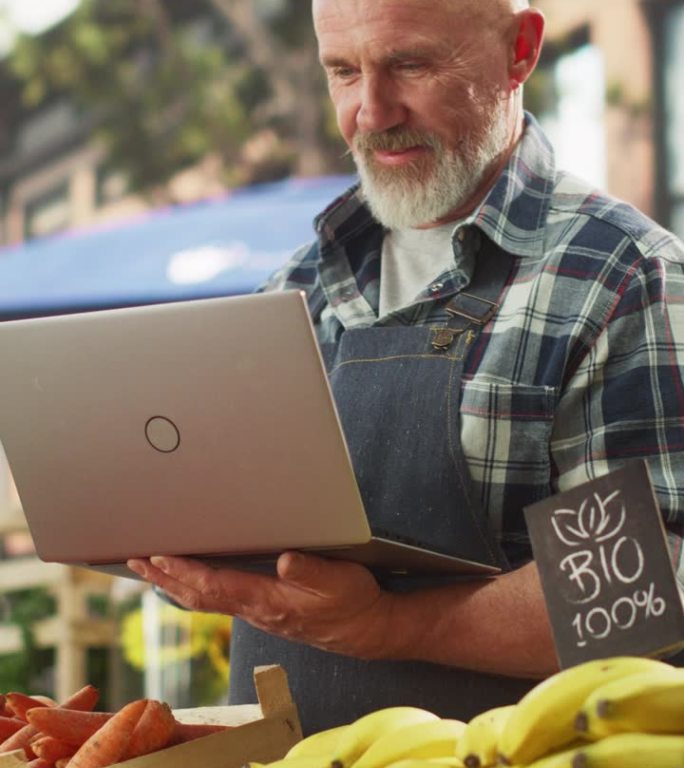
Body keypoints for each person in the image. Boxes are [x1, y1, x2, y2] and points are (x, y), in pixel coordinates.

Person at [128, 0, 684, 734]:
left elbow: (650, 591)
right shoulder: (293, 291)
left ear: (520, 50)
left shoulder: (619, 277)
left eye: (411, 64)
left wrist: (389, 625)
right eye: (343, 71)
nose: (371, 111)